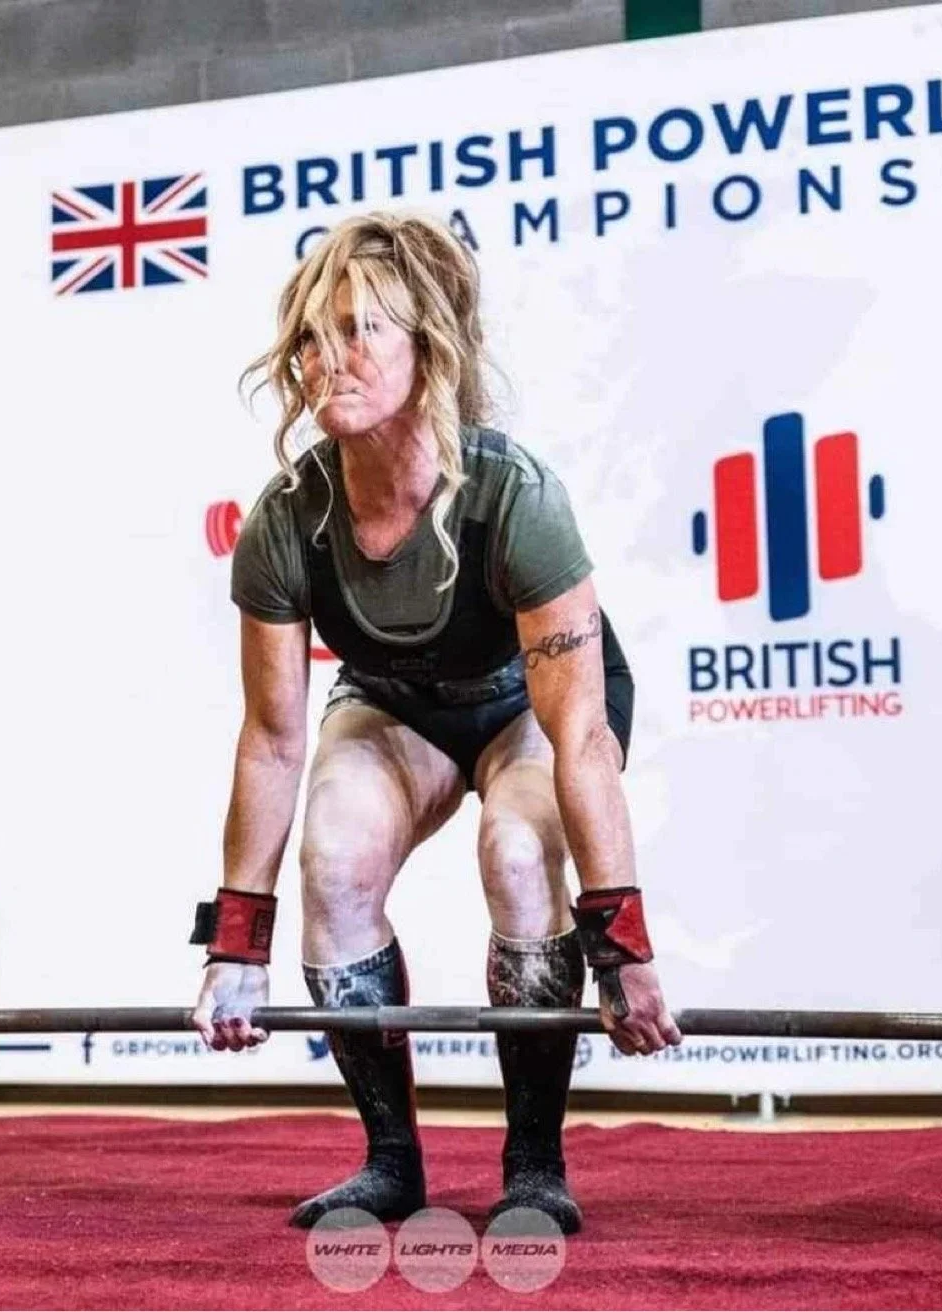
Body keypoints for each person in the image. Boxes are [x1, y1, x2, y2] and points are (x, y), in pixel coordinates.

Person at [191, 211, 680, 1234]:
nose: (329, 358)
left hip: (524, 704)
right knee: (334, 855)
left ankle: (535, 1163)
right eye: (313, 338)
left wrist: (621, 944)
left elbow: (580, 734)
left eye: (361, 330)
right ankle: (390, 1161)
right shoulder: (286, 520)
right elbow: (274, 740)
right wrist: (238, 939)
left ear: (430, 351)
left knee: (515, 849)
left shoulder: (514, 498)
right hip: (395, 703)